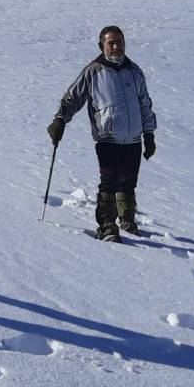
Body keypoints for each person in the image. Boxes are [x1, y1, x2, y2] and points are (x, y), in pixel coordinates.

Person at [47, 26, 156, 242]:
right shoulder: (93, 71)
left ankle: (127, 219)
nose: (116, 46)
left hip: (133, 138)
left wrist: (149, 135)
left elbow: (145, 104)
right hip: (107, 138)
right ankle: (107, 225)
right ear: (102, 45)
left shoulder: (134, 71)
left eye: (119, 42)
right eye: (111, 43)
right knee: (109, 182)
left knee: (128, 181)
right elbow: (72, 98)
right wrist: (60, 120)